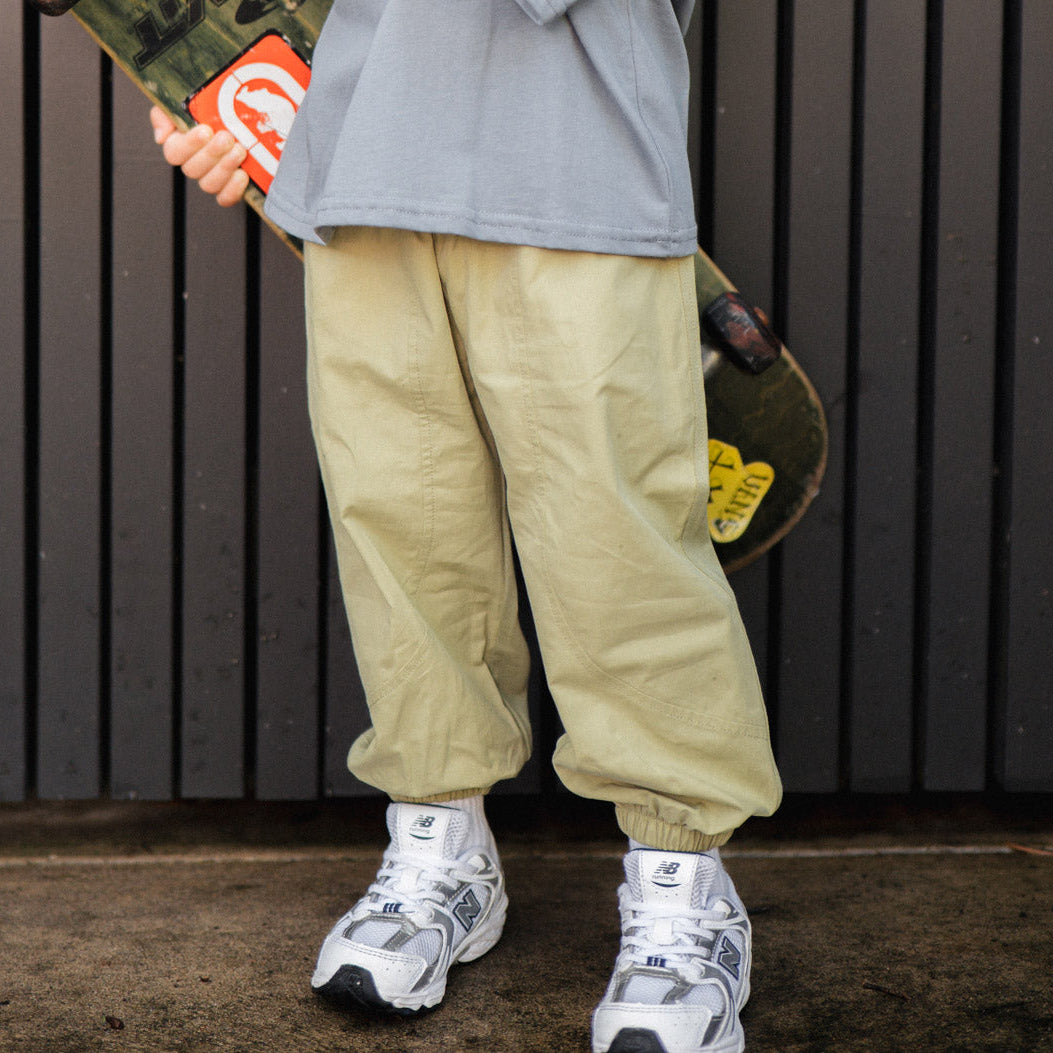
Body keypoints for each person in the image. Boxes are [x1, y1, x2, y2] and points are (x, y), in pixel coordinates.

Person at [152, 1, 781, 1050]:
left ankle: (686, 890)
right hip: (362, 150)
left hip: (576, 151)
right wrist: (196, 76)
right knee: (404, 528)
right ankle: (443, 845)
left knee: (612, 543)